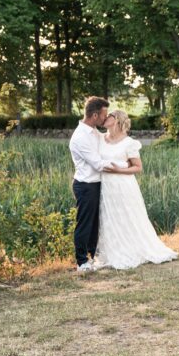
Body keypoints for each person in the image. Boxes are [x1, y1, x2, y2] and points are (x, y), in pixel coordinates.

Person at [93, 110, 178, 270]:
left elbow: (138, 167)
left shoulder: (128, 143)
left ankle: (134, 249)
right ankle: (114, 251)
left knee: (128, 217)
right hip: (106, 186)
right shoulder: (101, 138)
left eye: (109, 116)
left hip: (124, 186)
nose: (105, 118)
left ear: (117, 120)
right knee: (110, 218)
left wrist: (119, 170)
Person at [69, 97, 115, 272]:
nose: (106, 118)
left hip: (97, 183)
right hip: (86, 185)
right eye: (104, 114)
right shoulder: (80, 137)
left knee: (96, 223)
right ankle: (81, 262)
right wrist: (124, 169)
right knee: (85, 223)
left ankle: (92, 256)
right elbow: (98, 164)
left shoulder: (95, 132)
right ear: (95, 115)